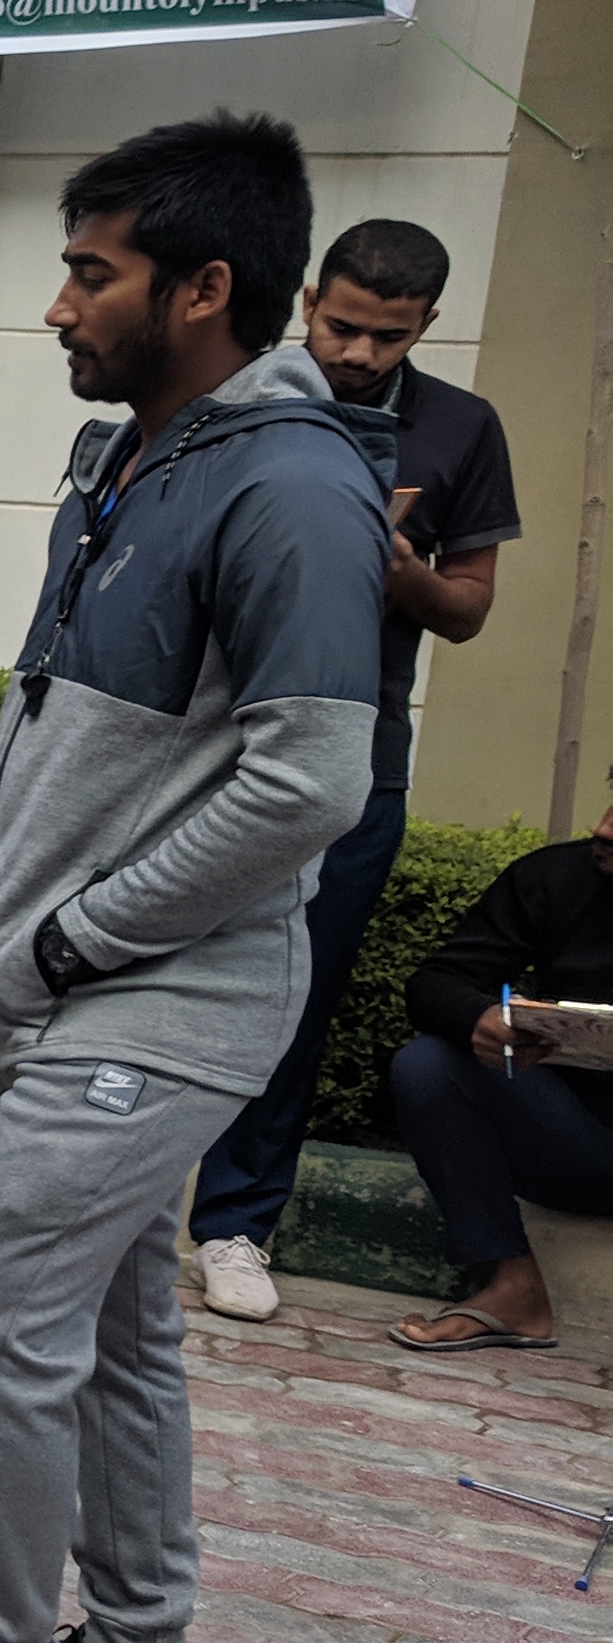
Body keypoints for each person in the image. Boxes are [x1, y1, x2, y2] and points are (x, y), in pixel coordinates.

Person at [0, 111, 388, 1643]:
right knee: (118, 1320)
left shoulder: (288, 485)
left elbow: (306, 781)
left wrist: (74, 931)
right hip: (67, 984)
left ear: (201, 289)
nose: (58, 304)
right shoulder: (126, 454)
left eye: (91, 270)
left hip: (155, 993)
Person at [186, 218, 519, 1324]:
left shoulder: (461, 428)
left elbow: (467, 610)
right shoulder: (235, 395)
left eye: (388, 336)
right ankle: (111, 1197)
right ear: (308, 301)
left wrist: (393, 570)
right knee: (148, 976)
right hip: (201, 747)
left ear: (427, 324)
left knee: (291, 999)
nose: (359, 355)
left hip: (352, 766)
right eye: (341, 326)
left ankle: (233, 1225)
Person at [380, 802, 613, 1352]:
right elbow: (440, 980)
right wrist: (479, 1017)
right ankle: (514, 1288)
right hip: (576, 1143)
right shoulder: (555, 877)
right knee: (427, 1065)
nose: (605, 827)